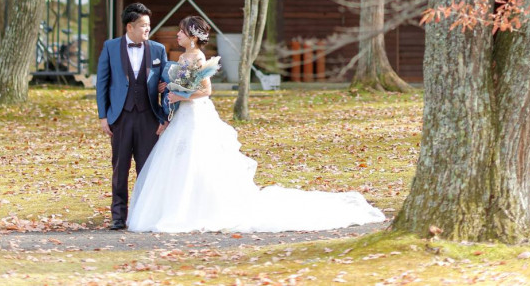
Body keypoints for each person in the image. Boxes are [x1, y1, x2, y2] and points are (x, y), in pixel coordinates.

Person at [127, 15, 385, 233]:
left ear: (193, 36)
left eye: (182, 32)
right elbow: (183, 84)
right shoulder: (183, 58)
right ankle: (174, 206)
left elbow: (205, 91)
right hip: (182, 115)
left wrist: (179, 94)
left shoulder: (196, 58)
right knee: (177, 159)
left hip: (195, 114)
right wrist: (170, 88)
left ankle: (198, 208)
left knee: (198, 157)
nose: (178, 36)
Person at [96, 2, 170, 230]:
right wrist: (103, 116)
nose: (148, 29)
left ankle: (144, 214)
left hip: (149, 117)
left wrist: (165, 116)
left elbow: (167, 84)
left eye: (149, 25)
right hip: (120, 116)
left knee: (147, 168)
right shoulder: (110, 47)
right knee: (120, 168)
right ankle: (118, 216)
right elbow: (102, 82)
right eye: (144, 25)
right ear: (130, 27)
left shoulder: (158, 50)